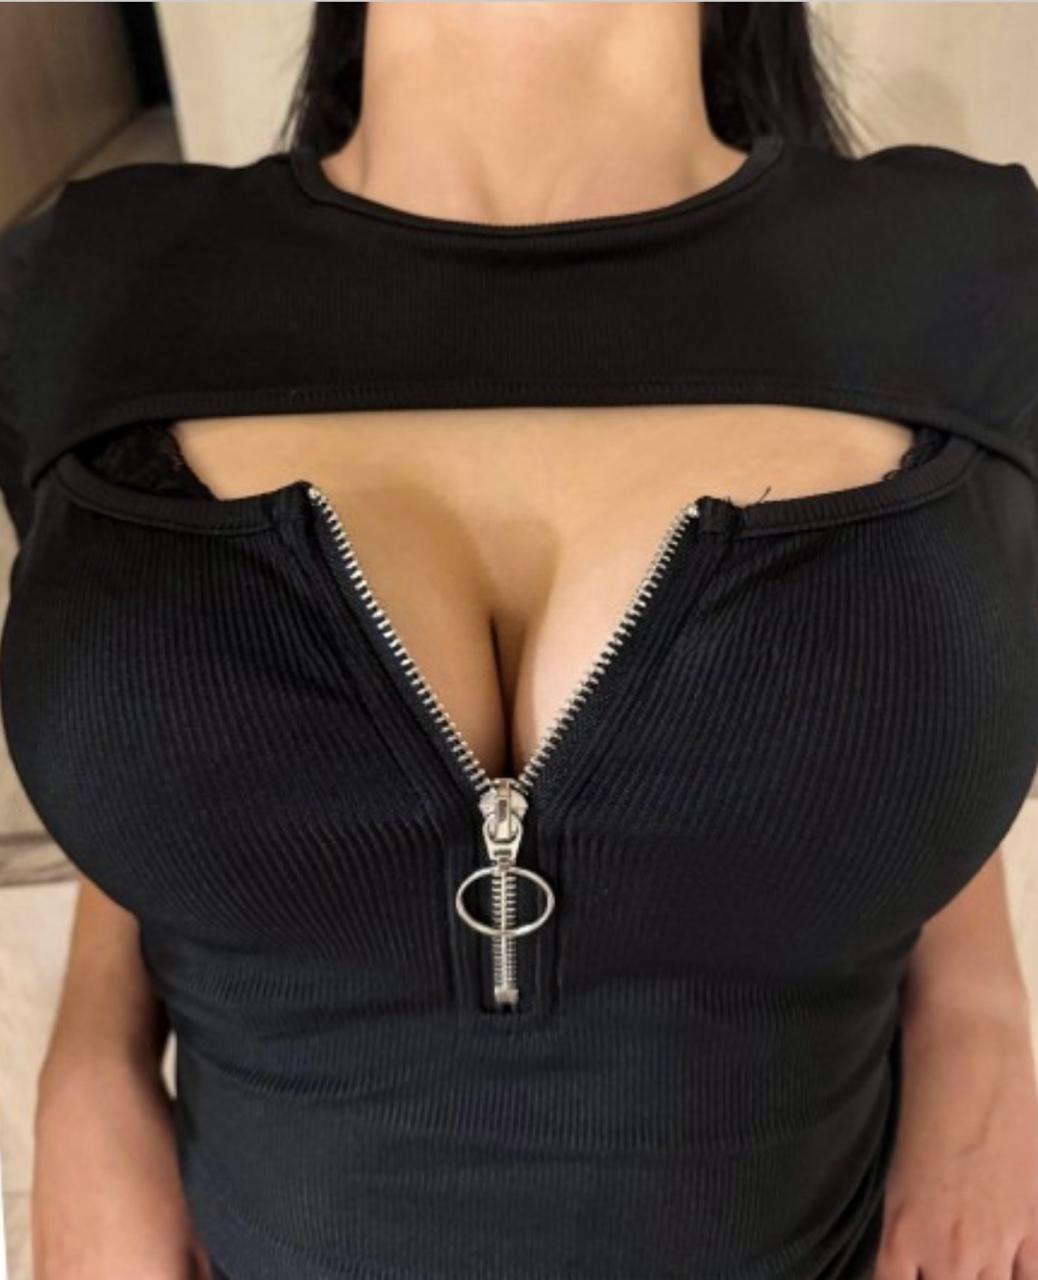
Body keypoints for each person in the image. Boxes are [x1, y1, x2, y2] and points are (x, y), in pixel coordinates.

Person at [2, 3, 1037, 1278]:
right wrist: (89, 1050)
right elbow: (156, 717)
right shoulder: (91, 285)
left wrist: (981, 1007)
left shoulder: (970, 276)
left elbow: (937, 686)